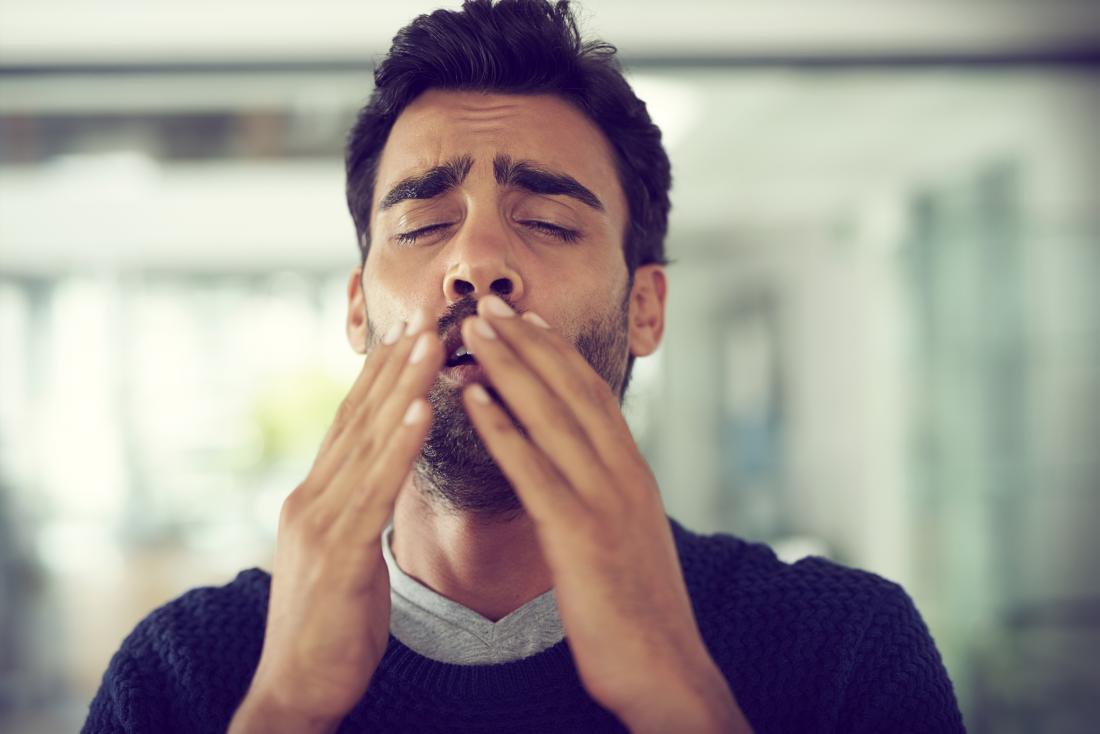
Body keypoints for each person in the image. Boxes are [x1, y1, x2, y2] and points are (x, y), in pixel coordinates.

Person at [82, 1, 965, 732]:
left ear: (646, 308)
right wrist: (285, 709)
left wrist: (676, 695)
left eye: (546, 221)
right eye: (423, 225)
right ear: (358, 310)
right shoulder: (182, 674)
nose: (476, 263)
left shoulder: (842, 650)